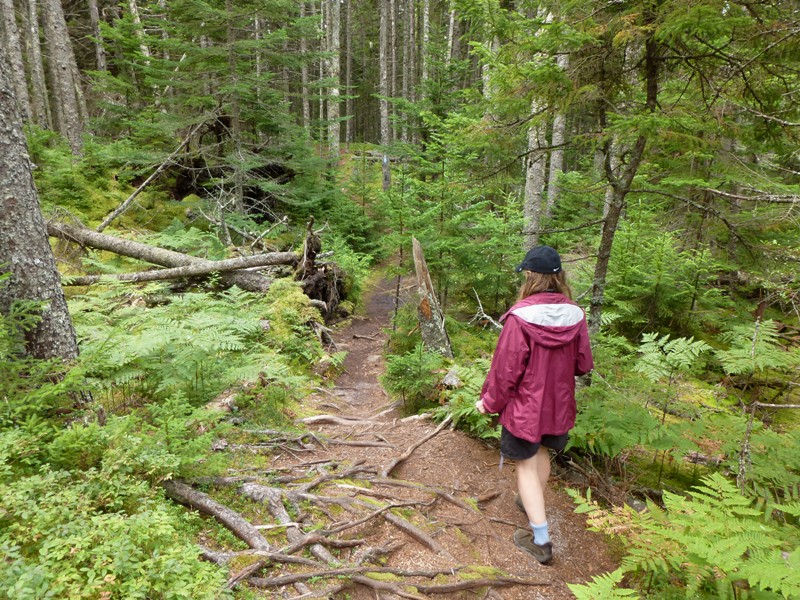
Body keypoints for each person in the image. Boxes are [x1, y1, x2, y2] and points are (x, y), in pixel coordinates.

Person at [475, 245, 593, 564]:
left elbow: (505, 371)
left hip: (526, 408)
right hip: (558, 406)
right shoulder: (576, 315)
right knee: (540, 452)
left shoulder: (520, 318)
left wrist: (488, 403)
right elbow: (583, 364)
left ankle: (540, 541)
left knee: (525, 465)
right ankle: (531, 502)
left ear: (530, 277)